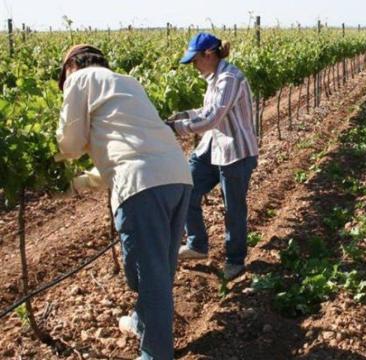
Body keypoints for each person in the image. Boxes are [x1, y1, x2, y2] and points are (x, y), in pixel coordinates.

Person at [56, 44, 193, 360]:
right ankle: (142, 322)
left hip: (142, 187)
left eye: (63, 80)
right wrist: (80, 184)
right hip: (177, 177)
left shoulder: (79, 80)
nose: (65, 88)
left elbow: (70, 144)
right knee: (160, 270)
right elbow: (123, 151)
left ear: (71, 67)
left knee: (148, 276)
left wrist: (53, 168)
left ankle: (156, 354)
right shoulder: (127, 83)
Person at [166, 33, 258, 280]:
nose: (193, 66)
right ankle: (197, 245)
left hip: (235, 152)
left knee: (233, 208)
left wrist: (176, 129)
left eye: (195, 60)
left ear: (209, 54)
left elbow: (212, 118)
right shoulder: (213, 78)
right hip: (212, 147)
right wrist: (181, 115)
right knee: (186, 190)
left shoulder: (229, 78)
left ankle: (235, 261)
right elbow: (206, 110)